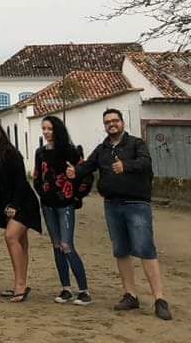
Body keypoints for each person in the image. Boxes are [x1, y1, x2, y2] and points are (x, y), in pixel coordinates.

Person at [69, 109, 172, 320]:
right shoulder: (103, 148)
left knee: (145, 249)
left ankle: (159, 298)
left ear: (122, 123)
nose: (111, 124)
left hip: (136, 204)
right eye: (107, 122)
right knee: (121, 250)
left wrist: (126, 165)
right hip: (112, 205)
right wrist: (74, 172)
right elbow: (87, 167)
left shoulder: (136, 144)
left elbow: (145, 163)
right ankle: (130, 295)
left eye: (115, 121)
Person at [33, 115, 93, 305]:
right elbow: (37, 176)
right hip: (48, 205)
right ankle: (66, 288)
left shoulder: (70, 151)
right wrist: (42, 193)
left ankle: (84, 290)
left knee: (67, 245)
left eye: (49, 128)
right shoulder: (40, 152)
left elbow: (86, 176)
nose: (46, 132)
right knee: (57, 246)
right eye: (44, 128)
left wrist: (76, 196)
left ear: (57, 129)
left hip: (65, 205)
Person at [0, 120, 42, 301]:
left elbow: (20, 182)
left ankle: (20, 286)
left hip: (23, 202)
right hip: (7, 206)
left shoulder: (11, 153)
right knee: (20, 242)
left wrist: (14, 205)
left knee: (11, 237)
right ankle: (20, 282)